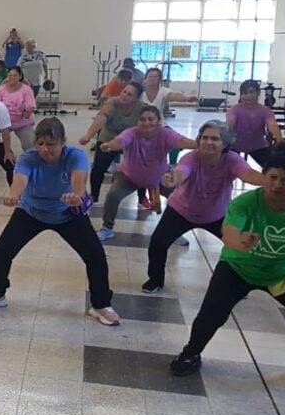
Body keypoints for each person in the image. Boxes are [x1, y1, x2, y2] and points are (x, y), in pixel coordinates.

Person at [0, 118, 119, 326]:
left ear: (63, 142)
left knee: (95, 256)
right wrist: (13, 195)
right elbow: (19, 180)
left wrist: (76, 196)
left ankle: (101, 305)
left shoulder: (75, 156)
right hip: (31, 212)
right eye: (40, 144)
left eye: (51, 144)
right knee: (3, 251)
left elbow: (79, 182)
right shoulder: (28, 157)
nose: (44, 149)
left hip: (67, 213)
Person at [170, 145, 285, 376]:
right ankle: (191, 353)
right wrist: (240, 242)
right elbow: (229, 231)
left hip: (283, 274)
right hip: (238, 268)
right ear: (264, 177)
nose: (278, 184)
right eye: (273, 177)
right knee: (211, 314)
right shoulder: (245, 203)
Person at [143, 121, 264, 294]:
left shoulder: (232, 159)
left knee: (239, 246)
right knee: (158, 243)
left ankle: (238, 284)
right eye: (205, 138)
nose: (208, 142)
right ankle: (155, 280)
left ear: (225, 144)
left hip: (217, 214)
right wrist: (172, 180)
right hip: (181, 211)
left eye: (215, 139)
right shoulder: (191, 157)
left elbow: (247, 174)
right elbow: (182, 172)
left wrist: (269, 180)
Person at [95, 105, 196, 241]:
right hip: (129, 177)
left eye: (151, 119)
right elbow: (120, 141)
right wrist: (109, 145)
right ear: (137, 122)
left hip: (160, 178)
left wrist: (202, 145)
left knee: (178, 200)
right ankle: (107, 228)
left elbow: (182, 141)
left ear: (158, 121)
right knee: (113, 195)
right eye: (142, 119)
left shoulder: (166, 134)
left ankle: (174, 232)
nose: (146, 123)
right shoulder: (131, 133)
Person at [80, 81, 143, 203]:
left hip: (130, 141)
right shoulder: (112, 103)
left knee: (141, 167)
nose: (124, 95)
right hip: (108, 139)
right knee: (98, 168)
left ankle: (142, 197)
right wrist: (88, 135)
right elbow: (101, 118)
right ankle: (94, 195)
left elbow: (150, 122)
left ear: (136, 99)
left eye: (129, 94)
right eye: (124, 91)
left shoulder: (141, 108)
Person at [228, 79, 282, 168]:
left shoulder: (266, 111)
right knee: (226, 169)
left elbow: (272, 125)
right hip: (234, 146)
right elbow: (229, 124)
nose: (248, 96)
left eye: (251, 92)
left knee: (273, 167)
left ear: (258, 93)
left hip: (258, 146)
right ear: (241, 95)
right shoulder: (234, 109)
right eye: (244, 93)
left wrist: (280, 142)